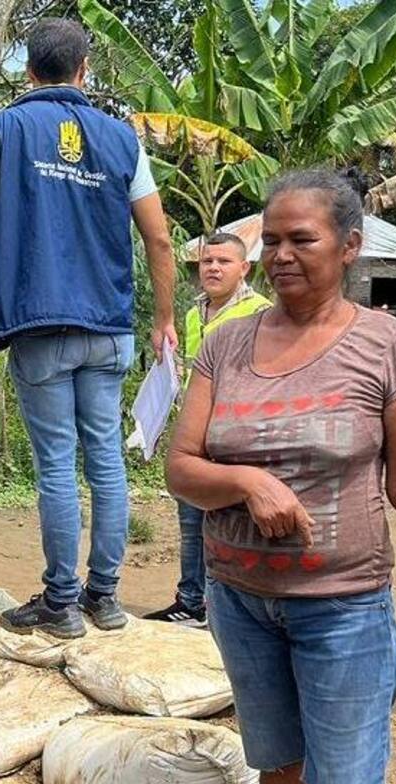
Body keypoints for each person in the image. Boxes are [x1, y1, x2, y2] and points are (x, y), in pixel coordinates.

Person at [166, 169, 396, 784]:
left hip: (341, 607)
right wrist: (247, 482)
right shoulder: (226, 345)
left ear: (349, 247)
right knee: (277, 765)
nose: (280, 254)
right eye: (269, 239)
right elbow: (182, 468)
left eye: (300, 238)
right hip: (240, 600)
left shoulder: (384, 343)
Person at [0, 17, 177, 639]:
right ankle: (105, 598)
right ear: (84, 70)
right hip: (110, 326)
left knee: (55, 465)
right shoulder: (122, 139)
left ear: (28, 71)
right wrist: (164, 319)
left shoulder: (6, 128)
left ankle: (61, 603)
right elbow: (158, 236)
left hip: (40, 323)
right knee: (106, 459)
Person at [145, 232, 270, 628]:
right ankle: (190, 600)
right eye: (206, 261)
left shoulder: (260, 313)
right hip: (196, 437)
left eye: (223, 262)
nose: (213, 268)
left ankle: (230, 606)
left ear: (244, 268)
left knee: (233, 525)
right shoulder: (194, 312)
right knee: (190, 524)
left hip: (236, 439)